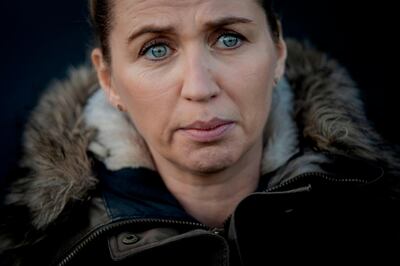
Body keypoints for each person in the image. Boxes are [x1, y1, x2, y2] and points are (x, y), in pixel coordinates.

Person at [1, 0, 399, 265]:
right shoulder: (44, 254)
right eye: (156, 49)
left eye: (229, 38)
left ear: (277, 52)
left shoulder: (376, 213)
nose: (199, 87)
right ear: (109, 79)